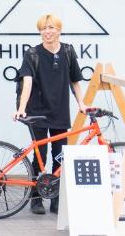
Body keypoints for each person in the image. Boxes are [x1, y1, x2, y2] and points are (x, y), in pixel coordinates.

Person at [14, 13, 87, 215]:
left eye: (51, 28)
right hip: (36, 111)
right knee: (41, 155)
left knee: (59, 156)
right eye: (43, 28)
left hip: (60, 110)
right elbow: (27, 81)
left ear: (59, 30)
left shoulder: (68, 52)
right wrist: (21, 108)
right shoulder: (32, 54)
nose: (47, 32)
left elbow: (75, 81)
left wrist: (82, 103)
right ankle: (36, 198)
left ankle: (55, 198)